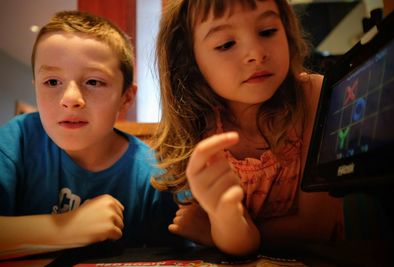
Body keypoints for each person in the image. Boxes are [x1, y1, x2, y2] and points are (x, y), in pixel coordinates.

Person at [151, 0, 344, 256]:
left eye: (267, 31)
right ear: (190, 61)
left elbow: (317, 227)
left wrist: (214, 232)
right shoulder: (196, 126)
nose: (256, 52)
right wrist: (226, 225)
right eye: (226, 44)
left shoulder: (314, 96)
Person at [0, 10, 182, 258]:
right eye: (52, 82)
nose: (70, 99)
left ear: (126, 98)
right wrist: (69, 229)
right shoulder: (18, 140)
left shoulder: (153, 177)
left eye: (94, 82)